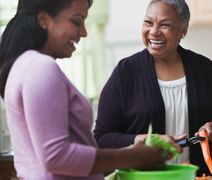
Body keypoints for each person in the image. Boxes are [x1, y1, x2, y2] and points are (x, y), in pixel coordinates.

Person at [0, 0, 167, 179]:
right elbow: (56, 157)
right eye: (77, 21)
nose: (84, 32)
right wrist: (135, 156)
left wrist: (132, 149)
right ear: (43, 20)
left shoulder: (23, 65)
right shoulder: (41, 67)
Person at [94, 0, 212, 176]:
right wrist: (143, 140)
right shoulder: (125, 72)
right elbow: (101, 138)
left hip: (198, 177)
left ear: (183, 29)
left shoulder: (205, 70)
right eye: (148, 22)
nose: (154, 31)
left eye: (165, 24)